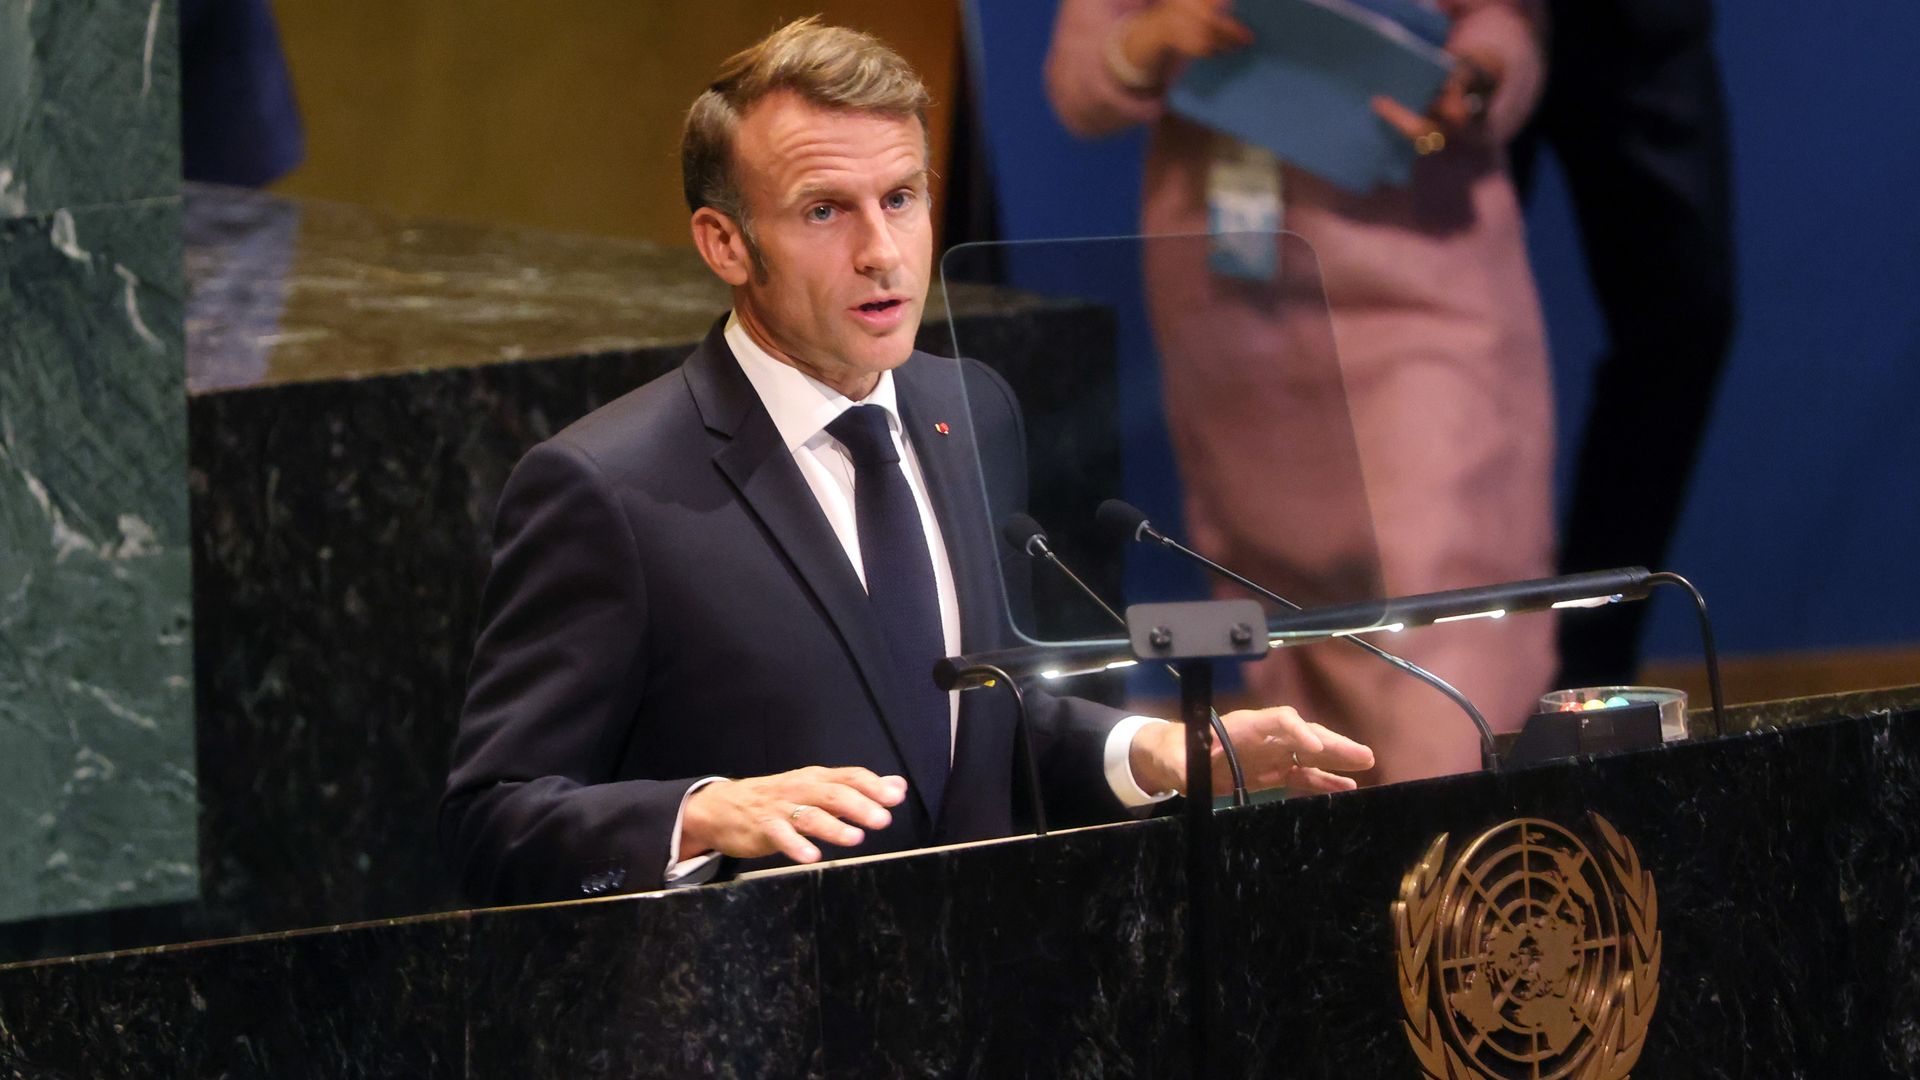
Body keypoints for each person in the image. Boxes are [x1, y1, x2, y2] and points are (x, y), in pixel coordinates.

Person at [439, 18, 1372, 905]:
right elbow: (493, 821)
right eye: (823, 211)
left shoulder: (969, 409)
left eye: (902, 197)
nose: (881, 253)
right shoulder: (608, 487)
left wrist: (1153, 751)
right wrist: (700, 813)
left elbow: (979, 719)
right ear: (725, 243)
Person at [1046, 0, 1558, 784]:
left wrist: (1475, 77)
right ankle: (1339, 888)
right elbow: (1080, 80)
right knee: (1291, 622)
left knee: (1448, 602)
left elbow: (1506, 24)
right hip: (1232, 294)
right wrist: (1154, 36)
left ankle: (1457, 872)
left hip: (1425, 266)